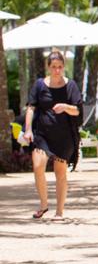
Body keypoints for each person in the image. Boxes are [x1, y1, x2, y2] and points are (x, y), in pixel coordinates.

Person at [20, 50, 81, 220]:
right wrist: (28, 129)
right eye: (54, 67)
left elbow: (77, 110)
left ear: (64, 67)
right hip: (42, 134)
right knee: (38, 166)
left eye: (60, 67)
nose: (57, 70)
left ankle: (59, 212)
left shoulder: (71, 86)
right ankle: (43, 204)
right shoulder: (39, 85)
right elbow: (31, 108)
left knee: (60, 172)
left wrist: (65, 107)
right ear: (48, 67)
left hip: (64, 136)